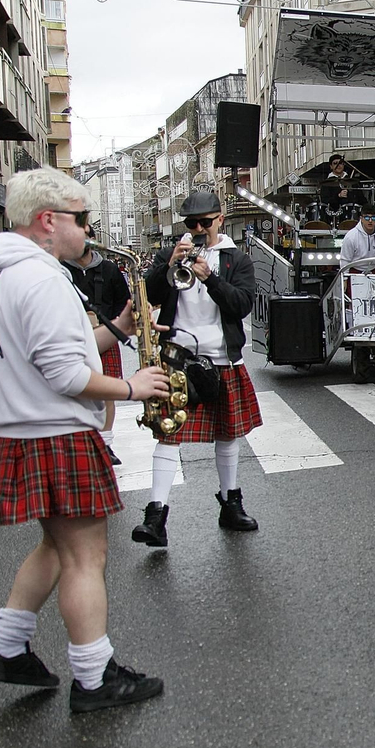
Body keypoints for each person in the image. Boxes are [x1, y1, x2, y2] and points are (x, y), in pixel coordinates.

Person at [0, 166, 169, 712]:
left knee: (57, 548)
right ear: (48, 220)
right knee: (86, 556)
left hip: (26, 431)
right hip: (55, 432)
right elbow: (64, 375)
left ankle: (8, 648)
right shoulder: (40, 278)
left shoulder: (2, 274)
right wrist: (133, 386)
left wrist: (118, 330)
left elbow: (48, 353)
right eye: (82, 219)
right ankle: (93, 676)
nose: (88, 229)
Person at [130, 190, 264, 549]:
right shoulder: (172, 253)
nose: (200, 229)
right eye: (192, 224)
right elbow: (146, 295)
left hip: (223, 356)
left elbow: (241, 306)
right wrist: (166, 264)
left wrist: (210, 278)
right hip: (178, 355)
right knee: (168, 433)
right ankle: (156, 515)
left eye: (206, 222)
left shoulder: (237, 259)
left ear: (220, 218)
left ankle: (230, 502)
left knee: (227, 433)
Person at [66, 234, 132, 464]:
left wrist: (111, 325)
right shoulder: (61, 269)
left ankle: (106, 443)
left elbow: (123, 302)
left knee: (107, 393)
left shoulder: (109, 269)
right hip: (72, 338)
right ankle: (80, 443)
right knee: (76, 391)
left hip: (106, 334)